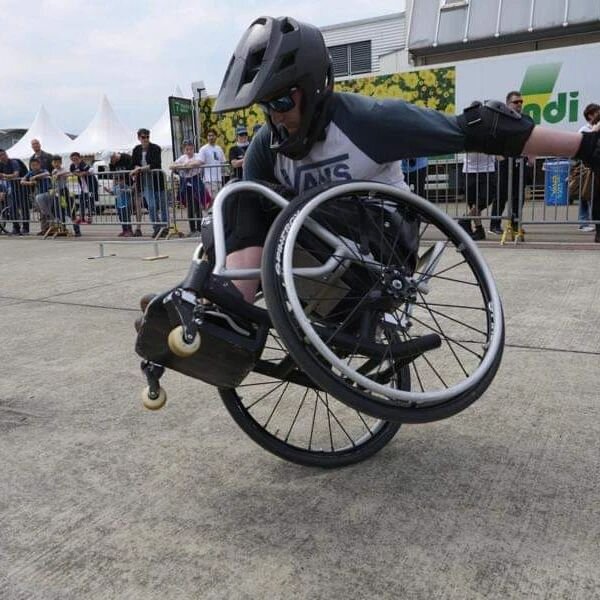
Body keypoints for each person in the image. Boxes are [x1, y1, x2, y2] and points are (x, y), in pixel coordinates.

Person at [213, 16, 600, 301]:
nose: (275, 114)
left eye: (282, 100)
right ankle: (227, 313)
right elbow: (247, 219)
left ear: (312, 87)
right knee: (237, 200)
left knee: (295, 210)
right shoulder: (267, 146)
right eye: (267, 105)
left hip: (381, 250)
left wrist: (584, 147)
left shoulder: (368, 121)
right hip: (315, 252)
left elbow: (481, 127)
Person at [489, 91, 532, 236]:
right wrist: (497, 155)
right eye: (516, 102)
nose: (519, 104)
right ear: (508, 104)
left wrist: (532, 156)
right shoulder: (500, 119)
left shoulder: (526, 119)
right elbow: (492, 138)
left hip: (521, 161)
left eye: (521, 102)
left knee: (518, 195)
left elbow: (533, 138)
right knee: (501, 194)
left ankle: (515, 224)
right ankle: (494, 224)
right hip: (504, 161)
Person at [130, 128, 168, 238]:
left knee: (162, 205)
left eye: (147, 137)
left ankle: (165, 227)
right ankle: (157, 227)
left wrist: (139, 169)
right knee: (151, 206)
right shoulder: (136, 149)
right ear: (139, 138)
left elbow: (155, 164)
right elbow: (134, 163)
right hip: (145, 181)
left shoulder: (156, 148)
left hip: (157, 179)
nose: (145, 139)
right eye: (143, 137)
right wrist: (137, 168)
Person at [458, 152, 497, 240]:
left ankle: (465, 219)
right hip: (469, 169)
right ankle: (479, 230)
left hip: (488, 169)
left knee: (486, 198)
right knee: (473, 202)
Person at [170, 140, 205, 236]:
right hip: (186, 184)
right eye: (187, 149)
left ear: (194, 148)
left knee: (198, 207)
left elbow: (199, 162)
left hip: (196, 181)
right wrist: (182, 165)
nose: (189, 151)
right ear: (184, 150)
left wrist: (188, 165)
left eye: (191, 149)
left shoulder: (197, 155)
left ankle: (200, 229)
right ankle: (192, 229)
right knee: (190, 207)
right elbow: (171, 166)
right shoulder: (182, 158)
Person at [575, 103, 600, 231]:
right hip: (586, 167)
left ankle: (591, 222)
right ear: (590, 115)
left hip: (594, 167)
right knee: (585, 194)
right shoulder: (584, 129)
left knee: (592, 196)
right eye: (597, 112)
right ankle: (583, 222)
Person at [100, 150, 134, 237]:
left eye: (111, 160)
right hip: (119, 195)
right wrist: (112, 188)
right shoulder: (112, 164)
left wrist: (131, 187)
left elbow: (133, 173)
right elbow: (114, 176)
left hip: (128, 188)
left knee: (126, 214)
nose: (111, 163)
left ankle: (129, 230)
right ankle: (124, 230)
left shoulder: (127, 158)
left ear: (113, 156)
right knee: (120, 214)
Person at [20, 157, 53, 235]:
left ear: (39, 165)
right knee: (42, 212)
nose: (34, 167)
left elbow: (47, 173)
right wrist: (30, 183)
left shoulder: (43, 170)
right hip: (39, 195)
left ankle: (52, 227)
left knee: (50, 211)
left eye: (36, 165)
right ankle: (44, 229)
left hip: (48, 193)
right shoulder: (30, 173)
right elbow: (22, 181)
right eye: (32, 165)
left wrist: (35, 177)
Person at [0, 149, 29, 235]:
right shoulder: (1, 165)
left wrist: (4, 176)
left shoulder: (13, 162)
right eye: (0, 155)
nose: (2, 157)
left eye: (3, 154)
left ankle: (25, 228)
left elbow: (16, 174)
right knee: (12, 208)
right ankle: (16, 227)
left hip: (22, 187)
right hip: (12, 188)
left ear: (6, 154)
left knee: (24, 208)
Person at [69, 152, 99, 224]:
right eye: (73, 160)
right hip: (82, 186)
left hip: (90, 184)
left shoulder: (83, 164)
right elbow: (72, 172)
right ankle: (81, 217)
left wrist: (82, 173)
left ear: (80, 158)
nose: (75, 161)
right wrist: (79, 174)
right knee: (82, 201)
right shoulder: (72, 165)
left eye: (76, 159)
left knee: (90, 201)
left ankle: (89, 218)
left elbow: (90, 171)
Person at [198, 129, 226, 198]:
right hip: (208, 180)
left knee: (218, 199)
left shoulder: (219, 148)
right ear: (207, 137)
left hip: (219, 179)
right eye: (209, 135)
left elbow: (223, 162)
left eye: (212, 135)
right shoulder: (203, 149)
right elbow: (200, 162)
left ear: (216, 136)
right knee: (210, 201)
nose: (211, 137)